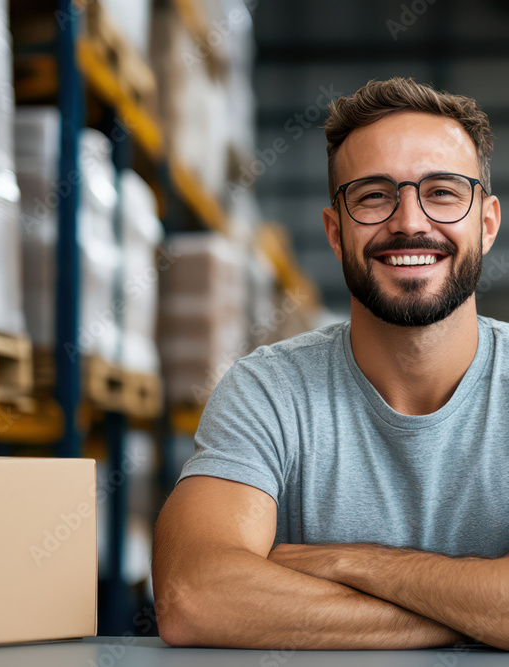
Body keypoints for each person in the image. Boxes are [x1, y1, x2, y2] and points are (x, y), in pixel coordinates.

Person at [152, 77, 509, 650]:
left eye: (443, 192)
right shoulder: (268, 389)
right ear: (335, 232)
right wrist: (479, 614)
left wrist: (353, 562)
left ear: (487, 224)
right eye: (373, 195)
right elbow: (192, 595)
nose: (410, 222)